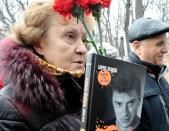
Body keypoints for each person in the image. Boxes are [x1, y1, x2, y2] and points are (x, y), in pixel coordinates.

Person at [0, 0, 103, 130]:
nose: (83, 49)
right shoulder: (11, 107)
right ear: (38, 42)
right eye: (70, 36)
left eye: (83, 39)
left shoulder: (90, 88)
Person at [127, 17, 169, 131]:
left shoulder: (158, 75)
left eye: (165, 43)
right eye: (159, 44)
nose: (166, 50)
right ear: (137, 47)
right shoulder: (126, 83)